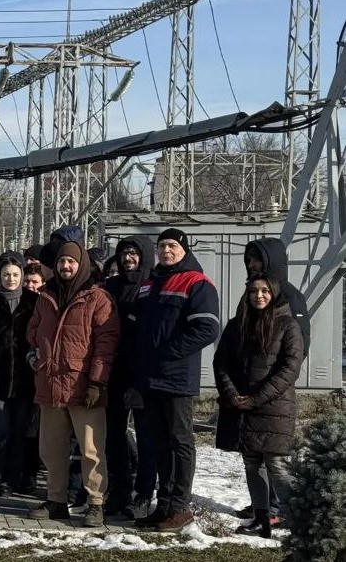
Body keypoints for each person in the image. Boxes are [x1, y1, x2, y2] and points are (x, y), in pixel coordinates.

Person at [131, 228, 220, 532]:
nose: (166, 251)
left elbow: (207, 329)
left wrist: (168, 354)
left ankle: (180, 508)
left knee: (180, 441)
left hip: (176, 378)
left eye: (172, 245)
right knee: (159, 442)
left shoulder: (197, 283)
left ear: (184, 249)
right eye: (161, 246)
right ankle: (164, 505)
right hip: (150, 379)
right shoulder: (150, 283)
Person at [26, 241, 119, 528]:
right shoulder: (46, 296)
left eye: (71, 262)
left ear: (82, 265)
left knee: (91, 449)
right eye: (62, 262)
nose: (65, 266)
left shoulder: (98, 298)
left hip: (83, 385)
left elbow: (106, 344)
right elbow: (33, 330)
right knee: (51, 448)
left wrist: (97, 382)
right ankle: (56, 500)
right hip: (50, 382)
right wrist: (38, 351)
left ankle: (96, 503)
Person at [213, 275, 303, 539]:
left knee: (276, 464)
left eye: (265, 291)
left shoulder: (288, 325)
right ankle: (262, 518)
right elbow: (221, 363)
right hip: (241, 406)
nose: (259, 295)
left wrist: (257, 398)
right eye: (254, 291)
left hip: (273, 407)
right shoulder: (237, 325)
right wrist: (231, 394)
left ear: (274, 294)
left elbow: (290, 369)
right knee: (252, 464)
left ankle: (296, 519)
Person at [101, 236, 158, 520]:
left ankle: (144, 493)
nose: (128, 258)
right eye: (124, 253)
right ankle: (119, 491)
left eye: (134, 253)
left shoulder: (154, 285)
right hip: (115, 370)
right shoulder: (111, 287)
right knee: (113, 435)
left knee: (147, 436)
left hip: (145, 371)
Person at [0, 252, 38, 498]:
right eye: (6, 275)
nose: (10, 279)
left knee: (19, 431)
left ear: (22, 276)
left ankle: (11, 479)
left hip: (25, 379)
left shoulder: (33, 302)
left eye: (15, 274)